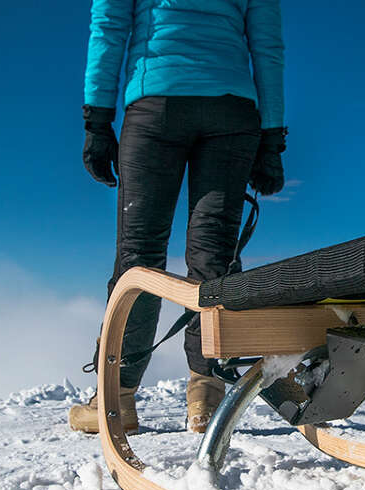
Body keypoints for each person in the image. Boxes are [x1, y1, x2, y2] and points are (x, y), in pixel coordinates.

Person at [69, 0, 285, 435]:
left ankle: (118, 398)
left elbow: (109, 26)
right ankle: (206, 388)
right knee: (214, 254)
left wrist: (97, 119)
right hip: (232, 109)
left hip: (157, 105)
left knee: (140, 255)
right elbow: (267, 46)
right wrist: (273, 134)